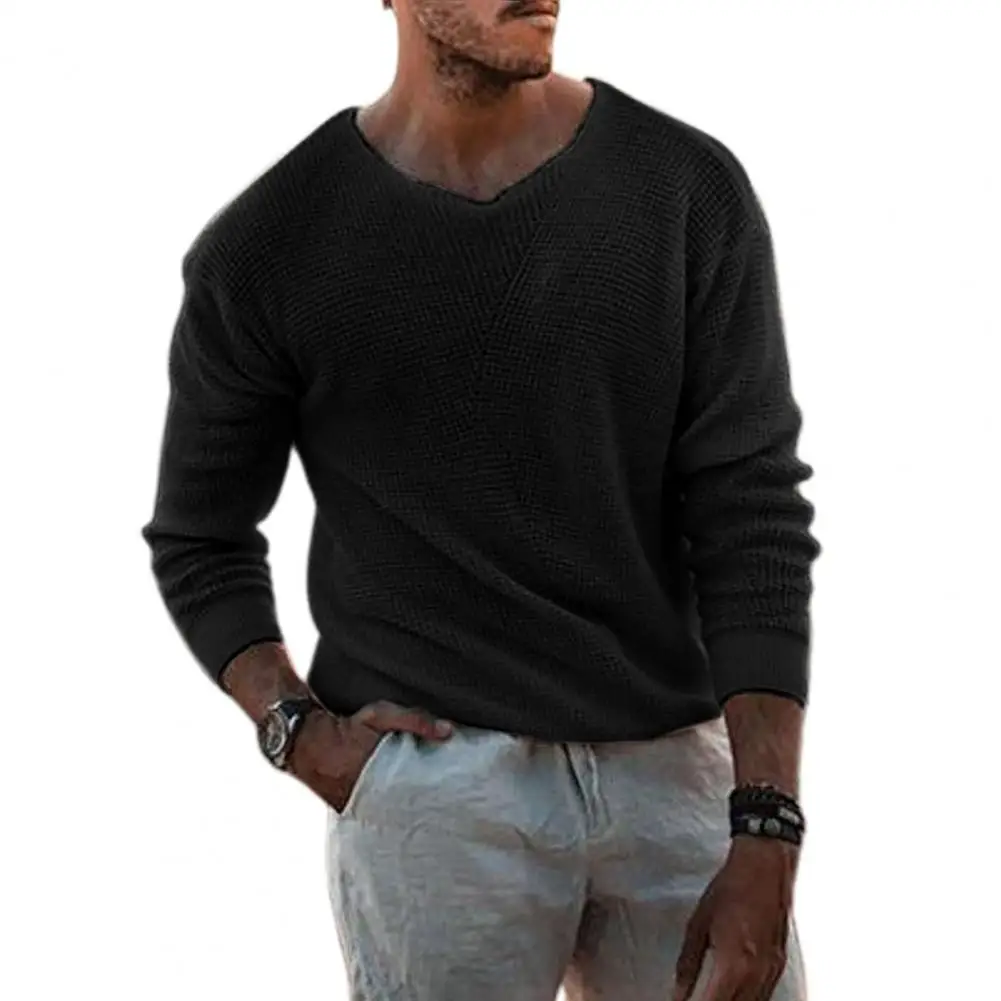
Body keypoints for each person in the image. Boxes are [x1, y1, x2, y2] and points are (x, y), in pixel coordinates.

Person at [140, 1, 821, 998]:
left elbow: (751, 510)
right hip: (437, 796)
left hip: (676, 775)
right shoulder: (271, 244)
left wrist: (766, 820)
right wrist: (298, 730)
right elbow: (200, 537)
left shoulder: (683, 188)